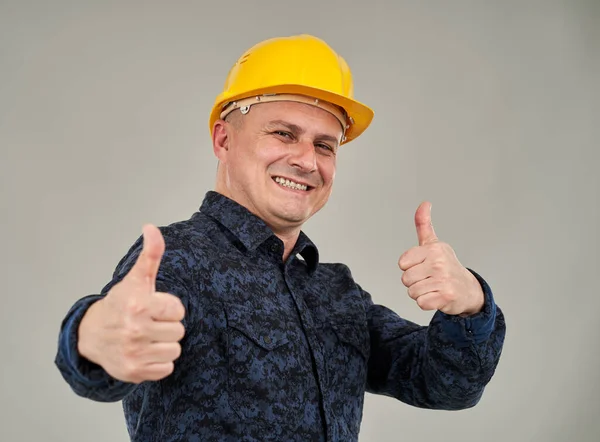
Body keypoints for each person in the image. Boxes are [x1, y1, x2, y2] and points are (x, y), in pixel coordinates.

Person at [54, 34, 506, 442]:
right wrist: (93, 335)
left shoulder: (336, 292)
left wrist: (469, 305)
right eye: (283, 134)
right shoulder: (178, 259)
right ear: (223, 139)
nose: (307, 161)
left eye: (325, 145)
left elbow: (446, 385)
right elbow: (105, 357)